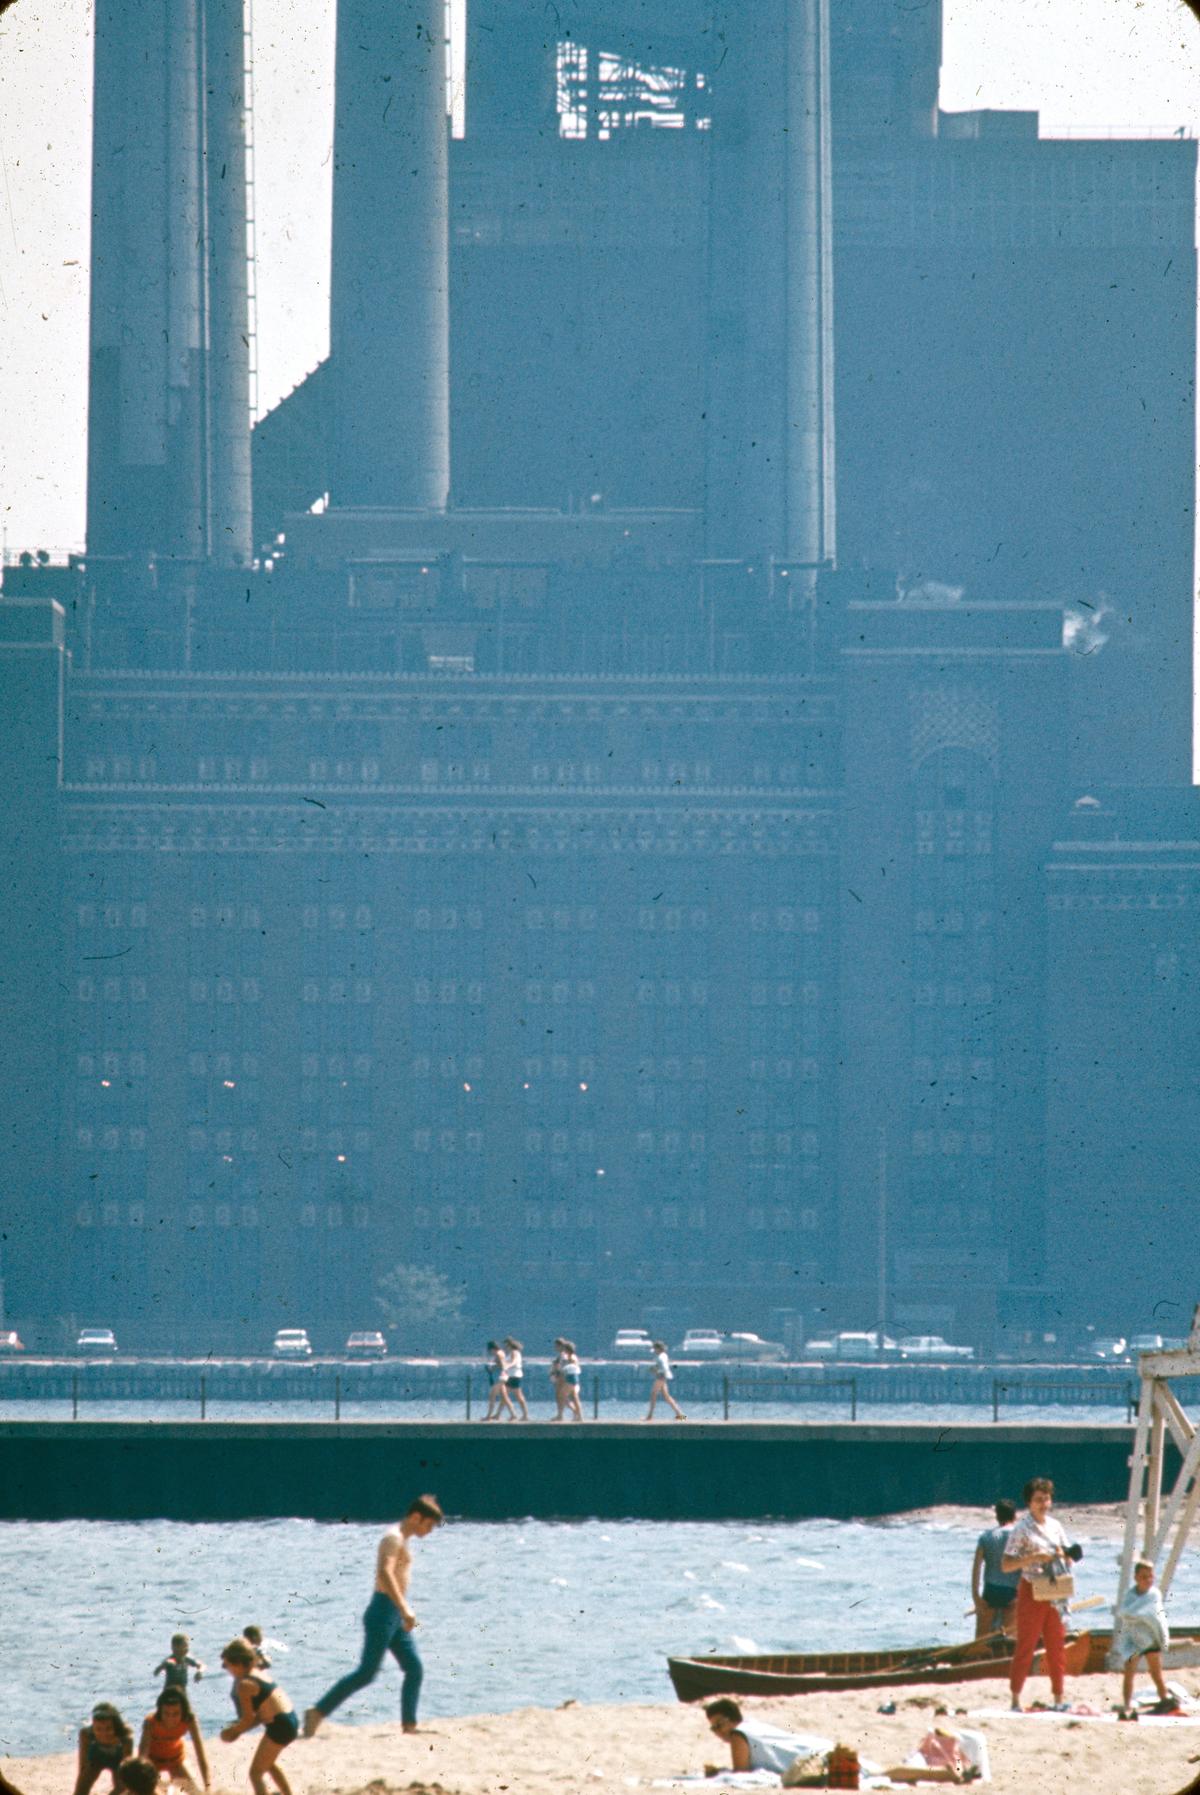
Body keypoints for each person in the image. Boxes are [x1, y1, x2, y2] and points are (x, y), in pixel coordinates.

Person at [304, 1493, 445, 1738]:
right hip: (383, 1611)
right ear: (415, 1517)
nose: (430, 1531)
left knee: (414, 1668)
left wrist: (401, 1611)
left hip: (393, 1614)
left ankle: (409, 1726)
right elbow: (386, 1573)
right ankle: (316, 1712)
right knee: (367, 1673)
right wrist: (404, 1608)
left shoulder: (403, 1539)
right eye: (429, 1525)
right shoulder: (393, 1538)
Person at [1002, 1475, 1081, 1711]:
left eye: (1046, 1499)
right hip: (1032, 1588)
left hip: (1055, 1588)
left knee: (1057, 1645)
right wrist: (1034, 1557)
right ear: (1029, 1502)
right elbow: (1006, 1564)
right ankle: (1015, 1698)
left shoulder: (1056, 1526)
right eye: (1038, 1500)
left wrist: (1065, 1554)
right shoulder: (1021, 1528)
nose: (1043, 1504)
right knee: (1026, 1645)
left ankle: (1058, 1698)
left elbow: (1068, 1556)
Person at [219, 1637, 298, 1795]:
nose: (228, 1670)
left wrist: (233, 1731)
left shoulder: (244, 1685)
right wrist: (238, 1728)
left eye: (228, 1666)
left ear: (238, 1663)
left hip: (279, 1725)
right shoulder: (258, 1672)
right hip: (290, 1719)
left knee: (255, 1774)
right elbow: (259, 1716)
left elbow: (248, 1719)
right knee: (268, 1764)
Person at [702, 1701, 832, 1778]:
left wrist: (718, 1773)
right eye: (713, 1728)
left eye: (719, 1725)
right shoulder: (750, 1724)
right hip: (822, 1748)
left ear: (731, 1719)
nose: (717, 1732)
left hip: (815, 1759)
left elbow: (740, 1774)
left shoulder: (738, 1734)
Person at [1113, 1558, 1175, 1717]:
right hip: (1134, 1638)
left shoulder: (1154, 1594)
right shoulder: (1130, 1595)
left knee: (1156, 1673)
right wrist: (1135, 1615)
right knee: (1129, 1673)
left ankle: (1164, 1700)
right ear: (1136, 1578)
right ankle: (1126, 1704)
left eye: (1150, 1576)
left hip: (1151, 1636)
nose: (1148, 1580)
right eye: (1143, 1576)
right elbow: (1124, 1613)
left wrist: (1136, 1615)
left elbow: (1153, 1616)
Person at [139, 1689, 210, 1794]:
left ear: (183, 1712)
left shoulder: (189, 1720)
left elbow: (201, 1755)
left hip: (176, 1760)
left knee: (196, 1792)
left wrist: (207, 1786)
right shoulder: (150, 1722)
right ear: (160, 1711)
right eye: (166, 1713)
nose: (170, 1718)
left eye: (176, 1714)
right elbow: (143, 1757)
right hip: (153, 1762)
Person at [970, 1499, 1020, 1639]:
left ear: (997, 1516)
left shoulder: (985, 1537)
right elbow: (1025, 1567)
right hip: (1012, 1593)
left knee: (981, 1640)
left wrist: (976, 1596)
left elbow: (976, 1568)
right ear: (1015, 1516)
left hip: (990, 1592)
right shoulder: (1019, 1536)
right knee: (1011, 1639)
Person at [74, 1704, 134, 1795]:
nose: (104, 1734)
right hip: (96, 1759)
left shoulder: (125, 1737)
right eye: (98, 1729)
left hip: (118, 1761)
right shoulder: (86, 1734)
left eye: (108, 1728)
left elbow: (126, 1771)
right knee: (82, 1786)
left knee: (122, 1788)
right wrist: (81, 1786)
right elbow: (83, 1765)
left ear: (116, 1726)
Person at [645, 1339, 686, 1421]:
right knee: (667, 1396)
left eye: (655, 1349)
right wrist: (654, 1368)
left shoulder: (661, 1356)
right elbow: (663, 1366)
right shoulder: (664, 1355)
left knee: (653, 1394)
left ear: (659, 1349)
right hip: (663, 1376)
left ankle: (650, 1416)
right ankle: (680, 1416)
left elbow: (663, 1367)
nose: (654, 1351)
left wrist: (655, 1370)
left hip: (661, 1376)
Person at [483, 1340, 515, 1421]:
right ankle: (513, 1414)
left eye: (490, 1350)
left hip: (500, 1377)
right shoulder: (502, 1352)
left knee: (492, 1395)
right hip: (503, 1376)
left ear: (492, 1348)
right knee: (505, 1397)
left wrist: (492, 1367)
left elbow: (502, 1365)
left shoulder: (498, 1354)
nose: (490, 1352)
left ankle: (488, 1416)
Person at [502, 1336, 530, 1419]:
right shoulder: (511, 1353)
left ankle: (524, 1415)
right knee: (505, 1395)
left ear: (509, 1345)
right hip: (510, 1375)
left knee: (518, 1396)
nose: (505, 1347)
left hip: (514, 1376)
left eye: (506, 1345)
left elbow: (514, 1361)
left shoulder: (514, 1352)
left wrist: (507, 1366)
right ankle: (504, 1414)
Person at [559, 1339, 584, 1422]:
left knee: (562, 1396)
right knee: (575, 1397)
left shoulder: (571, 1357)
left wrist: (566, 1364)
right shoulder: (571, 1356)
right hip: (572, 1377)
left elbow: (572, 1365)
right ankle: (578, 1416)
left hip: (571, 1377)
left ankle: (576, 1412)